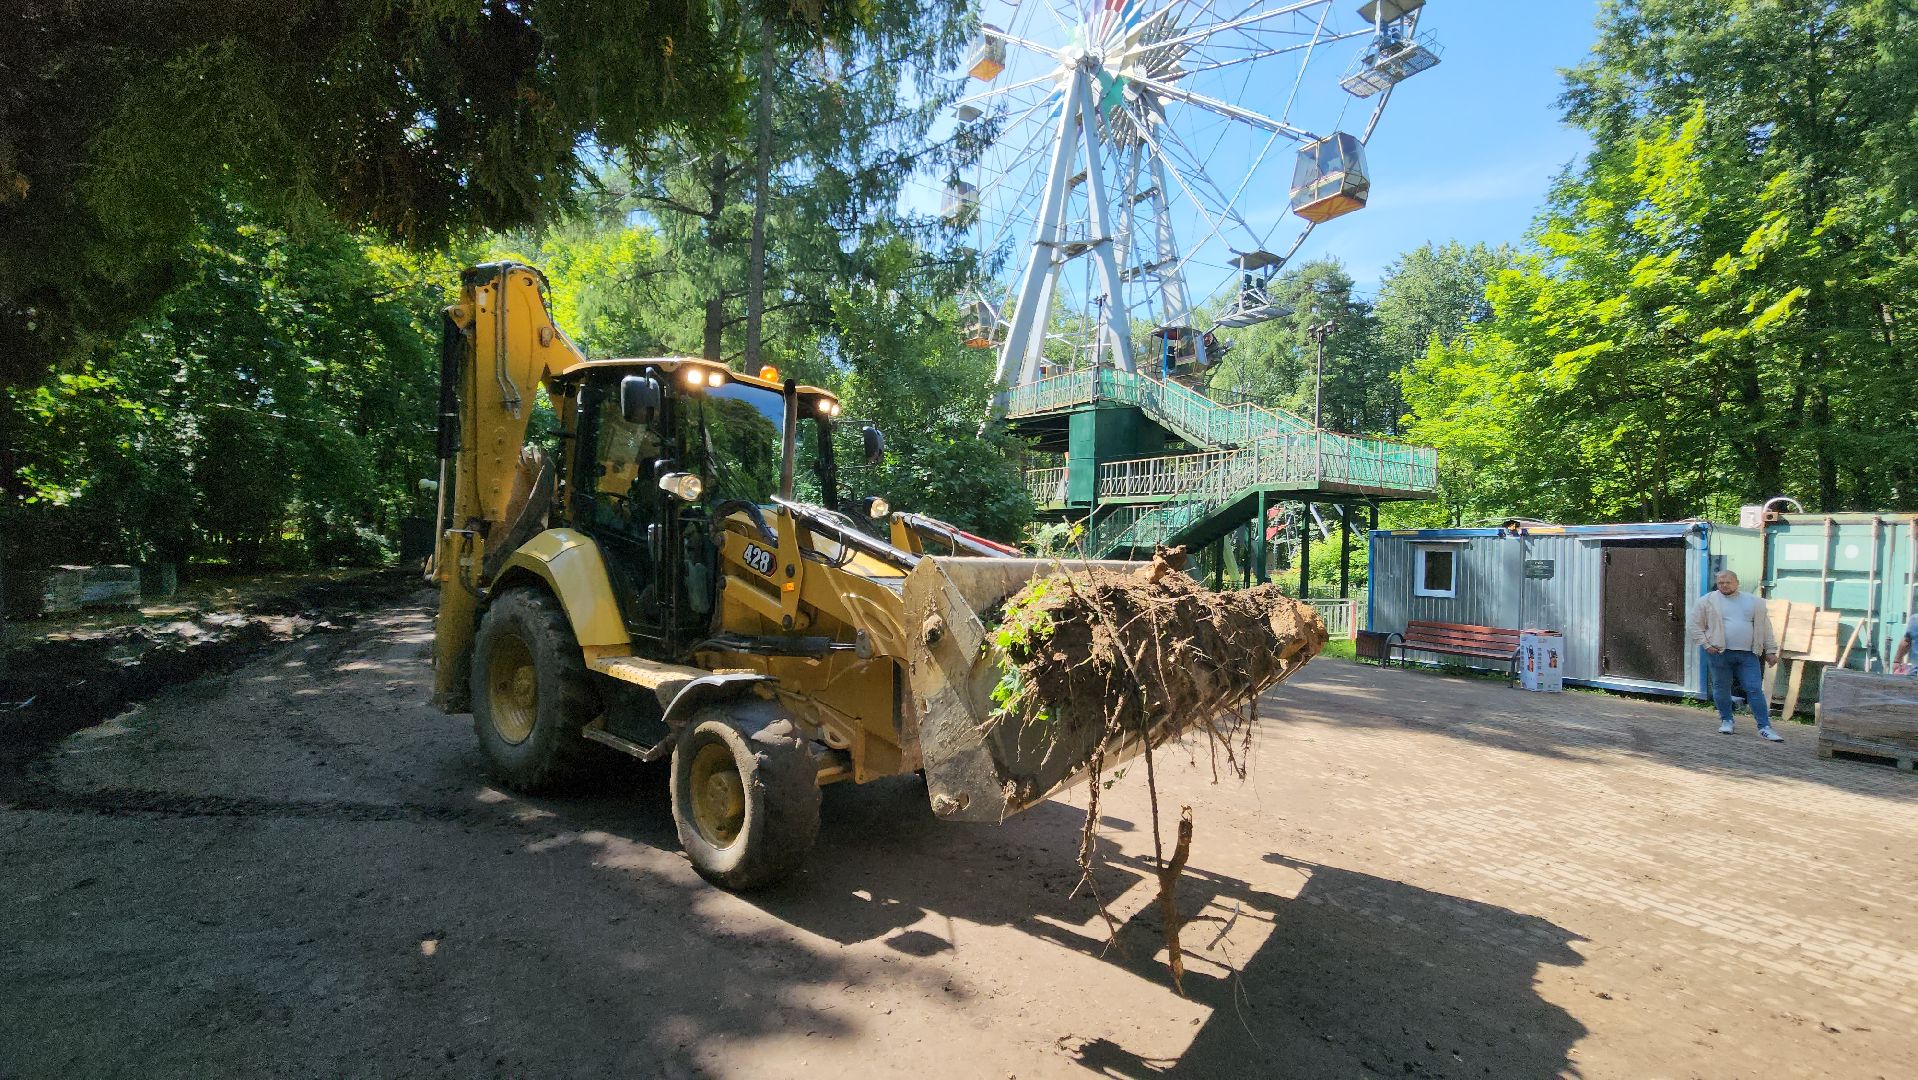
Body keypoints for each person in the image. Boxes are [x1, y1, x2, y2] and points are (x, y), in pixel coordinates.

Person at [1688, 570, 1782, 740]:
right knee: (1721, 687)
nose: (1724, 585)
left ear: (1737, 582)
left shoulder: (1754, 602)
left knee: (1754, 688)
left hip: (1748, 654)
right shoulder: (1707, 601)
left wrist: (1771, 650)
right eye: (1720, 582)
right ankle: (1726, 720)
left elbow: (1765, 627)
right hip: (1719, 653)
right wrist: (1706, 645)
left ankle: (1764, 727)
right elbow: (1694, 625)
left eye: (1728, 582)